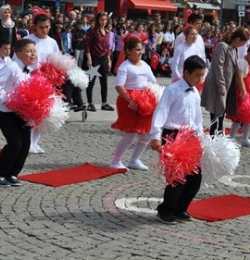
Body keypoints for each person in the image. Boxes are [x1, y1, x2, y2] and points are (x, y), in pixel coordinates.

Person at [150, 55, 207, 224]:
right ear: (186, 73)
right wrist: (155, 136)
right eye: (197, 75)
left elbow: (197, 118)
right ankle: (166, 210)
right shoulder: (172, 90)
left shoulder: (196, 92)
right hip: (172, 135)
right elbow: (160, 112)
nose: (200, 78)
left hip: (189, 136)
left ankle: (181, 208)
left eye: (202, 75)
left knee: (195, 176)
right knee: (177, 176)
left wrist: (200, 138)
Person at [0, 39, 37, 187]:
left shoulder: (29, 70)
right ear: (18, 53)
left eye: (34, 51)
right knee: (15, 143)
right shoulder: (12, 67)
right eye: (29, 51)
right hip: (5, 111)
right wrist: (8, 99)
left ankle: (11, 173)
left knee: (26, 144)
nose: (33, 54)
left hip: (21, 111)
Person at [110, 37, 157, 171]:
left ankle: (134, 160)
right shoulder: (125, 67)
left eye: (140, 49)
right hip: (128, 102)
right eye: (137, 50)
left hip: (145, 102)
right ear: (128, 51)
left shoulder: (145, 65)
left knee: (147, 132)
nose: (140, 52)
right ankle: (116, 161)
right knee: (131, 133)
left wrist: (151, 96)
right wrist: (130, 100)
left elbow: (153, 81)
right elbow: (119, 86)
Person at [24, 12, 60, 154]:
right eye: (41, 27)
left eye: (46, 27)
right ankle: (28, 142)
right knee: (32, 113)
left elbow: (56, 60)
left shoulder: (52, 42)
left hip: (47, 80)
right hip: (31, 79)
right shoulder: (28, 40)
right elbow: (20, 59)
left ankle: (35, 142)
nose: (44, 30)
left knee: (44, 113)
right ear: (35, 27)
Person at [201, 28, 248, 135]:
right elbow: (218, 66)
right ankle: (214, 133)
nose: (243, 45)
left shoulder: (233, 49)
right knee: (216, 110)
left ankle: (219, 132)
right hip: (217, 82)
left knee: (221, 110)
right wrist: (221, 85)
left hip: (227, 83)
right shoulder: (222, 46)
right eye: (243, 42)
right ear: (238, 39)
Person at [227, 40, 250, 147]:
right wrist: (243, 91)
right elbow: (239, 78)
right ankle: (232, 137)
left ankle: (245, 138)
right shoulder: (241, 63)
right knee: (239, 116)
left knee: (249, 116)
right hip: (242, 92)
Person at [85, 12, 114, 112]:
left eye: (105, 20)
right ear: (98, 20)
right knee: (91, 81)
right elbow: (87, 46)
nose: (103, 22)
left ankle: (104, 103)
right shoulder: (92, 31)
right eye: (102, 19)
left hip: (104, 59)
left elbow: (107, 48)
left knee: (104, 82)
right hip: (94, 58)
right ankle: (89, 103)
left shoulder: (107, 32)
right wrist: (89, 59)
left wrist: (109, 61)